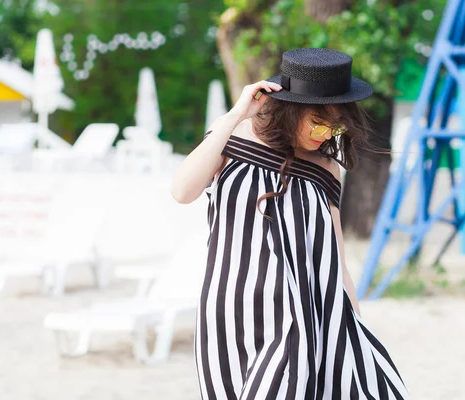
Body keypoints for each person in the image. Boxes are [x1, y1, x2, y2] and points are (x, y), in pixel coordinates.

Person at [171, 48, 409, 399]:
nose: (326, 134)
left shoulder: (325, 167)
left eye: (337, 125)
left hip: (297, 311)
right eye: (318, 121)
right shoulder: (231, 138)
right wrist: (236, 114)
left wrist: (355, 325)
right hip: (228, 310)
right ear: (290, 108)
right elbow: (182, 191)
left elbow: (335, 259)